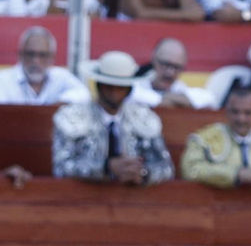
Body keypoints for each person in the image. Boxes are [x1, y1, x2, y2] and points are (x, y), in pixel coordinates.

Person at [52, 50, 174, 185]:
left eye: (120, 86)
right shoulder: (71, 117)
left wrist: (143, 173)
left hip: (133, 195)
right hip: (83, 196)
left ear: (129, 89)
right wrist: (105, 167)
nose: (114, 91)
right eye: (109, 85)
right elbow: (61, 167)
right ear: (98, 85)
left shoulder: (144, 118)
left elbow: (165, 167)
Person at [0, 26, 92, 105]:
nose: (36, 61)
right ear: (20, 54)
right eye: (30, 54)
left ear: (52, 57)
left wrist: (59, 103)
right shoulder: (1, 80)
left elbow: (84, 94)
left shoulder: (60, 76)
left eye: (42, 55)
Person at [131, 38, 213, 108]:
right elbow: (132, 94)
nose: (170, 72)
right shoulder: (135, 83)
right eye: (165, 65)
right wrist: (163, 100)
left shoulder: (179, 88)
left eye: (177, 67)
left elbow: (209, 99)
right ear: (154, 60)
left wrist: (171, 98)